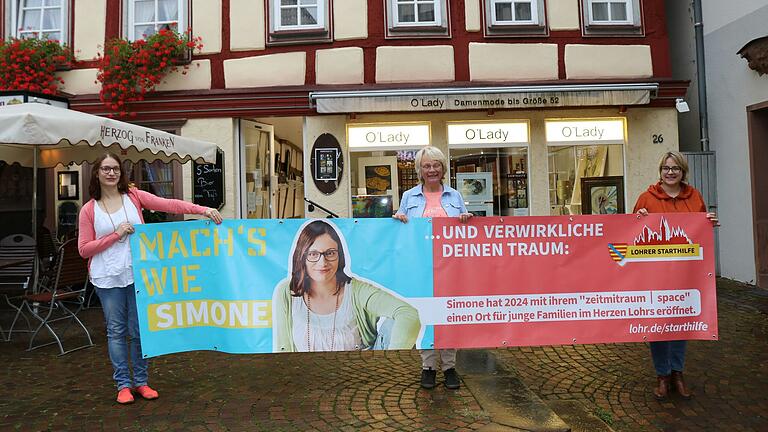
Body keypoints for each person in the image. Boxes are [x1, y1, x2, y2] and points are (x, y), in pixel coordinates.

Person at [78, 152, 223, 405]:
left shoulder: (133, 197)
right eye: (105, 169)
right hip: (107, 278)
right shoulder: (89, 210)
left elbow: (170, 205)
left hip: (138, 274)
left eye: (115, 169)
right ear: (97, 174)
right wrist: (116, 235)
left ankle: (142, 382)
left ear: (121, 173)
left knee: (138, 331)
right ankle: (123, 385)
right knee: (116, 331)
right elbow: (84, 249)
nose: (111, 173)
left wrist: (204, 210)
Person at [633, 151, 718, 400]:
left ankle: (677, 373)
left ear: (683, 172)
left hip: (687, 273)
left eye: (675, 169)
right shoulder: (646, 198)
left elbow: (700, 229)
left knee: (681, 322)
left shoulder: (694, 197)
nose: (670, 173)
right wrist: (638, 220)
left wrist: (709, 221)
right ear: (660, 171)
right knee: (659, 325)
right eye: (666, 168)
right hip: (656, 275)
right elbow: (631, 232)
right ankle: (662, 374)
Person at [272, 219, 421, 352]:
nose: (322, 263)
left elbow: (408, 314)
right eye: (313, 254)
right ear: (302, 257)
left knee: (393, 324)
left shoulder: (356, 290)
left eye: (330, 253)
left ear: (340, 256)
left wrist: (392, 363)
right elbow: (283, 348)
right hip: (309, 377)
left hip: (358, 375)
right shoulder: (287, 292)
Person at [393, 146, 473, 390]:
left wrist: (465, 218)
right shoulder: (409, 197)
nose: (431, 170)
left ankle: (449, 366)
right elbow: (400, 229)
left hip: (450, 267)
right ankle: (428, 366)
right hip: (421, 267)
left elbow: (463, 228)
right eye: (426, 166)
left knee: (448, 315)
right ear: (419, 170)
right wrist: (397, 218)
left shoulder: (454, 196)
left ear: (443, 168)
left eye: (435, 165)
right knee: (425, 315)